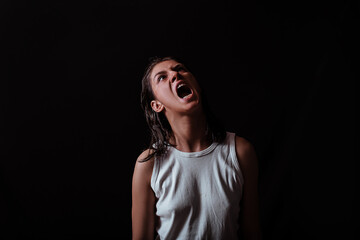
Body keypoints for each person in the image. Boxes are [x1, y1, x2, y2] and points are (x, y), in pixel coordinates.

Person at [132, 56, 261, 239]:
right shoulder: (149, 164)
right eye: (162, 77)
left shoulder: (240, 152)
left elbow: (252, 233)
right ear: (156, 105)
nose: (176, 74)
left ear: (197, 86)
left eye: (180, 69)